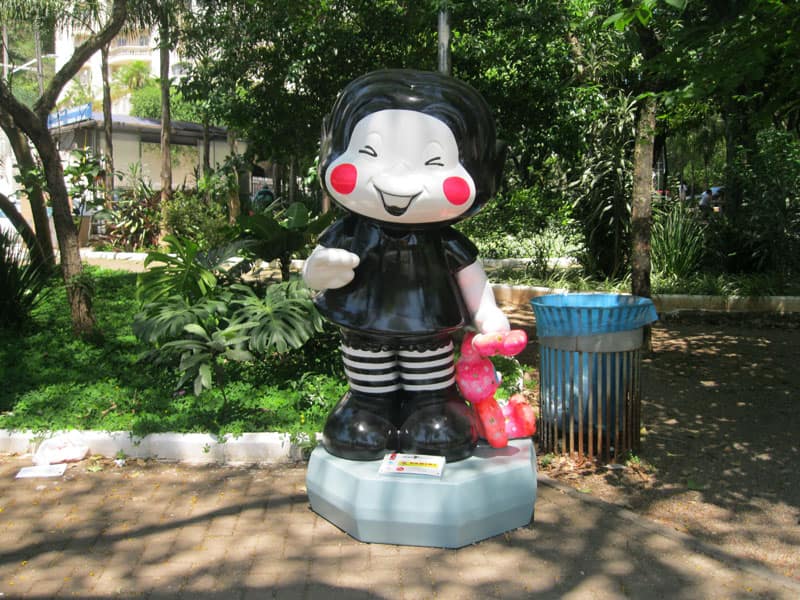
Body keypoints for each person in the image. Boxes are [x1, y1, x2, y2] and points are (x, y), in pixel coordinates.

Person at [303, 69, 510, 462]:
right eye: (368, 153)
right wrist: (318, 271)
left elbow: (472, 279)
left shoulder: (443, 239)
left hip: (426, 326)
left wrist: (488, 314)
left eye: (434, 161)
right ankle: (367, 406)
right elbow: (317, 265)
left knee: (429, 377)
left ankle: (433, 406)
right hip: (364, 323)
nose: (397, 180)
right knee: (368, 374)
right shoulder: (351, 231)